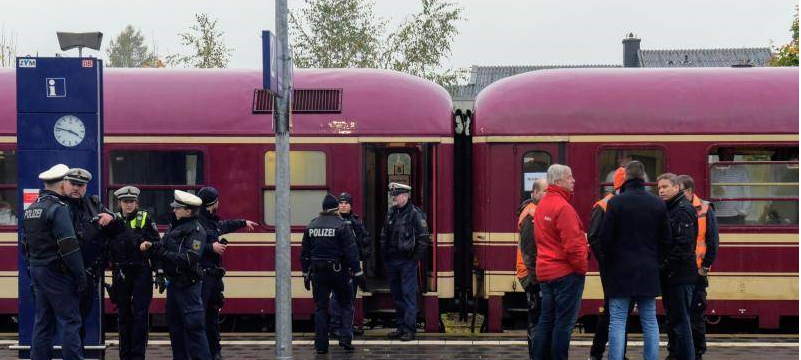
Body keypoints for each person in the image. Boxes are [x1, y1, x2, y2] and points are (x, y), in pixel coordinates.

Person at [600, 161, 670, 360]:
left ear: (626, 178)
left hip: (620, 271)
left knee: (617, 320)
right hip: (648, 270)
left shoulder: (615, 203)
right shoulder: (657, 203)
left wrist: (611, 262)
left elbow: (605, 239)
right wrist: (657, 261)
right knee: (649, 320)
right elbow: (666, 240)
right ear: (644, 177)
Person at [24, 164, 86, 360]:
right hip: (58, 273)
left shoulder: (32, 208)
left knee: (43, 322)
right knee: (70, 321)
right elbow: (69, 245)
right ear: (62, 185)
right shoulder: (58, 208)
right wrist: (80, 274)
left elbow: (25, 244)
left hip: (37, 270)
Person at [531, 164, 588, 360]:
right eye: (569, 177)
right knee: (564, 323)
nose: (573, 180)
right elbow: (573, 246)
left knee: (546, 320)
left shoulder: (541, 206)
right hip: (566, 273)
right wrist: (581, 268)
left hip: (546, 272)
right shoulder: (563, 208)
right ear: (557, 181)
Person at [63, 168, 125, 345]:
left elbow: (119, 229)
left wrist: (111, 217)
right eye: (73, 184)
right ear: (64, 184)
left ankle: (77, 353)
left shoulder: (93, 205)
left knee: (81, 320)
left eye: (80, 185)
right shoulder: (58, 204)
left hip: (88, 275)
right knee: (66, 321)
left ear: (85, 187)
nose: (76, 188)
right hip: (64, 274)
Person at [195, 186, 258, 360]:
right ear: (212, 203)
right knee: (201, 316)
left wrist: (243, 222)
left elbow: (224, 225)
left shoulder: (210, 221)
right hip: (203, 277)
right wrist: (211, 247)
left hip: (214, 278)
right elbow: (191, 246)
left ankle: (215, 352)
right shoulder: (197, 223)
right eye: (217, 201)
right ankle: (203, 353)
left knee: (213, 315)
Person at [301, 193, 367, 354]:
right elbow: (351, 252)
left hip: (318, 274)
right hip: (339, 272)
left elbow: (304, 254)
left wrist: (305, 274)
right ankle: (345, 339)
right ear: (336, 209)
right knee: (346, 304)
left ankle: (321, 345)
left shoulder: (312, 225)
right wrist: (358, 273)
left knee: (321, 309)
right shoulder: (342, 225)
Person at [152, 190, 211, 360]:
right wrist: (160, 271)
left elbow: (189, 258)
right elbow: (162, 247)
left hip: (188, 286)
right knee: (175, 328)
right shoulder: (174, 226)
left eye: (177, 208)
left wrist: (163, 254)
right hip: (174, 285)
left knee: (194, 328)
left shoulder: (197, 231)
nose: (174, 210)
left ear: (188, 211)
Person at [108, 186, 161, 360]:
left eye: (131, 201)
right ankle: (125, 355)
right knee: (123, 315)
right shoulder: (113, 220)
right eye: (125, 201)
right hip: (121, 272)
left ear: (136, 202)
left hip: (141, 271)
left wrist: (149, 246)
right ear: (119, 202)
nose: (129, 205)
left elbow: (158, 244)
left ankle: (138, 356)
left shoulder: (144, 217)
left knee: (140, 315)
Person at [588, 167, 632, 360]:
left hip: (619, 265)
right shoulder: (604, 205)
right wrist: (607, 262)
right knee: (613, 310)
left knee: (621, 311)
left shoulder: (607, 204)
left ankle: (615, 353)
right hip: (612, 267)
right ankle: (598, 353)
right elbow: (593, 237)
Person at [674, 175, 719, 360]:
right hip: (679, 270)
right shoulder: (675, 207)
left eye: (679, 190)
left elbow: (713, 241)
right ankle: (675, 351)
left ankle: (698, 352)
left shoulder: (706, 209)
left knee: (696, 314)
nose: (676, 193)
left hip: (697, 270)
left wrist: (705, 266)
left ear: (689, 191)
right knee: (676, 315)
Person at [380, 182, 430, 342]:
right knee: (397, 295)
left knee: (408, 295)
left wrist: (414, 259)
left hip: (407, 261)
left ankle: (409, 329)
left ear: (406, 195)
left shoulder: (416, 214)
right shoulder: (391, 212)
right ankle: (401, 327)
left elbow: (424, 238)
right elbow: (384, 234)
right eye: (393, 195)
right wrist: (385, 255)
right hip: (392, 260)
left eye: (397, 195)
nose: (394, 197)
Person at [657, 173, 698, 360]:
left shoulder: (682, 210)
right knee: (675, 321)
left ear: (676, 187)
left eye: (665, 187)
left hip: (679, 276)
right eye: (659, 188)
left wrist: (664, 267)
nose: (661, 191)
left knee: (681, 324)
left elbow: (683, 247)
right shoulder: (672, 208)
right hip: (673, 275)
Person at [330, 192, 372, 339]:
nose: (343, 205)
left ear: (350, 205)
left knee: (350, 297)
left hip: (352, 264)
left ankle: (346, 326)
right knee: (337, 297)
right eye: (341, 203)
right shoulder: (334, 221)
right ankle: (335, 327)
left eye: (346, 203)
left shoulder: (355, 221)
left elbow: (365, 237)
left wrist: (364, 248)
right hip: (339, 265)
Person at [516, 178, 547, 360]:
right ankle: (535, 355)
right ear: (535, 193)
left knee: (538, 317)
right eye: (544, 191)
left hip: (533, 273)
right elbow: (529, 253)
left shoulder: (535, 211)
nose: (547, 194)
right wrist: (536, 280)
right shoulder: (530, 215)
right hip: (531, 275)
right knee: (536, 317)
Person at [710, 148, 751, 224]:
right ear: (719, 154)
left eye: (732, 154)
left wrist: (744, 211)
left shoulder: (740, 169)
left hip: (735, 214)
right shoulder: (712, 169)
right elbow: (707, 189)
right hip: (715, 213)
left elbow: (747, 190)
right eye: (726, 153)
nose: (730, 156)